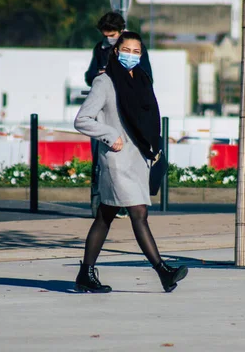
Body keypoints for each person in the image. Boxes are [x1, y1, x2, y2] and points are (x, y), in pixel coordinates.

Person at [74, 31, 188, 293]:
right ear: (116, 51)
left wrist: (153, 147)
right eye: (127, 50)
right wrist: (109, 135)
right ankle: (163, 271)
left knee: (105, 216)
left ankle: (85, 273)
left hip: (137, 160)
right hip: (115, 160)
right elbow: (82, 119)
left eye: (137, 52)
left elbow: (147, 119)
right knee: (139, 212)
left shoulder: (143, 81)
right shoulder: (104, 82)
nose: (132, 56)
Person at [85, 12, 153, 219]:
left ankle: (118, 204)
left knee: (128, 165)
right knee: (101, 160)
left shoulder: (133, 47)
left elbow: (146, 77)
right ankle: (103, 199)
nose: (108, 39)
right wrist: (100, 74)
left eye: (112, 35)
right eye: (105, 35)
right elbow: (89, 76)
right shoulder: (100, 49)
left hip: (128, 113)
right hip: (105, 114)